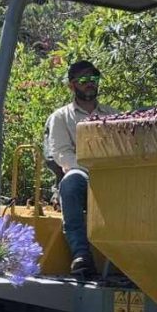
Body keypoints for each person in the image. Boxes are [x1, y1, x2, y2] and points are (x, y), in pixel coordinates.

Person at [45, 60, 118, 278]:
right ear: (72, 85)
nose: (90, 84)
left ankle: (132, 254)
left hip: (111, 176)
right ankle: (81, 254)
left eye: (93, 79)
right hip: (81, 176)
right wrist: (92, 169)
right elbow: (61, 154)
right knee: (72, 181)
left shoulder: (113, 115)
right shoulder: (61, 117)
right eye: (84, 80)